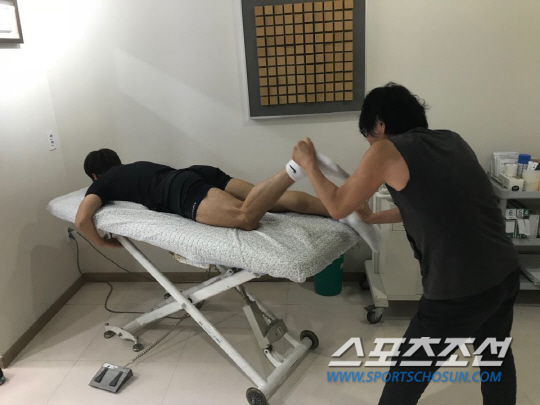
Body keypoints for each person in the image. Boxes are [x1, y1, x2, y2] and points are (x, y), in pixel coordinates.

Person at [290, 82, 520, 405]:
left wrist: (308, 164)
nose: (369, 144)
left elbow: (338, 206)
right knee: (495, 356)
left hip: (458, 288)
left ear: (380, 125)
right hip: (505, 273)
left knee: (405, 376)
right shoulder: (452, 140)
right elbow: (431, 205)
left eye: (368, 135)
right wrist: (373, 218)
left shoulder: (386, 150)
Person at [75, 149, 332, 248]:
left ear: (95, 175)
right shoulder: (134, 166)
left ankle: (293, 169)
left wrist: (103, 243)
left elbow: (82, 220)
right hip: (194, 173)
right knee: (273, 200)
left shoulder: (102, 182)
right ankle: (339, 209)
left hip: (179, 190)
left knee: (245, 217)